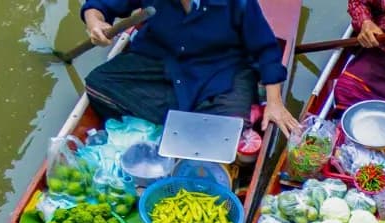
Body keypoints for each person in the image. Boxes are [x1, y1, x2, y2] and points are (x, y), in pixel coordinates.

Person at [81, 0, 298, 135]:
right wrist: (95, 23)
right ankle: (184, 127)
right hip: (160, 60)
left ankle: (174, 126)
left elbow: (266, 50)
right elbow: (99, 5)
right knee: (98, 85)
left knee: (228, 129)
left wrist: (274, 102)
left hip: (218, 69)